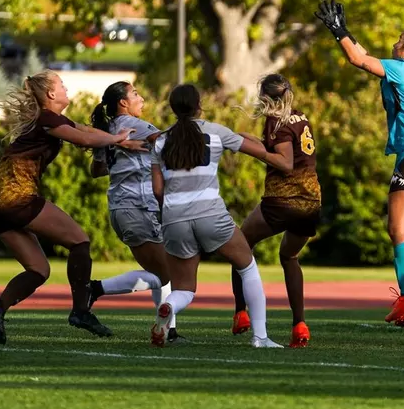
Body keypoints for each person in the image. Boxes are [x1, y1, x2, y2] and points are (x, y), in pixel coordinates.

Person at [314, 0, 404, 327]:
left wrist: (337, 32)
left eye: (399, 40)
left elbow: (357, 59)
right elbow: (365, 54)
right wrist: (347, 32)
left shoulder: (401, 68)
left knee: (397, 228)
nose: (394, 44)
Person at [0, 70, 144, 344]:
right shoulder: (46, 118)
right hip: (16, 198)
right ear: (51, 94)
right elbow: (83, 139)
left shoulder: (51, 119)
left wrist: (120, 141)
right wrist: (117, 139)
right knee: (80, 242)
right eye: (61, 85)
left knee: (39, 271)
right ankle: (81, 311)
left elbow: (84, 130)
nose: (66, 88)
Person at [149, 84, 283, 348]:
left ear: (173, 109)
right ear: (200, 104)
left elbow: (157, 190)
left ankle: (168, 306)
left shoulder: (161, 140)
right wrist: (284, 160)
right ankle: (260, 337)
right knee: (247, 266)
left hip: (173, 217)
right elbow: (260, 153)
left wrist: (173, 211)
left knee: (185, 288)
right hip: (209, 212)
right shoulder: (217, 132)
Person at [230, 74, 321, 348]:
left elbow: (284, 162)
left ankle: (241, 313)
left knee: (239, 245)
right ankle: (299, 325)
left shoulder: (275, 121)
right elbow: (278, 146)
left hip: (284, 199)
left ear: (266, 96)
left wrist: (250, 150)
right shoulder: (298, 116)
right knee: (289, 257)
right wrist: (242, 138)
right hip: (310, 201)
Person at [88, 82, 171, 319]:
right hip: (138, 206)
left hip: (122, 206)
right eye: (135, 94)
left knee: (161, 272)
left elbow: (97, 169)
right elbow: (169, 141)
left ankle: (167, 329)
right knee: (167, 273)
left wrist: (123, 159)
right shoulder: (133, 125)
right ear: (123, 103)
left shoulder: (107, 130)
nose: (141, 98)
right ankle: (94, 289)